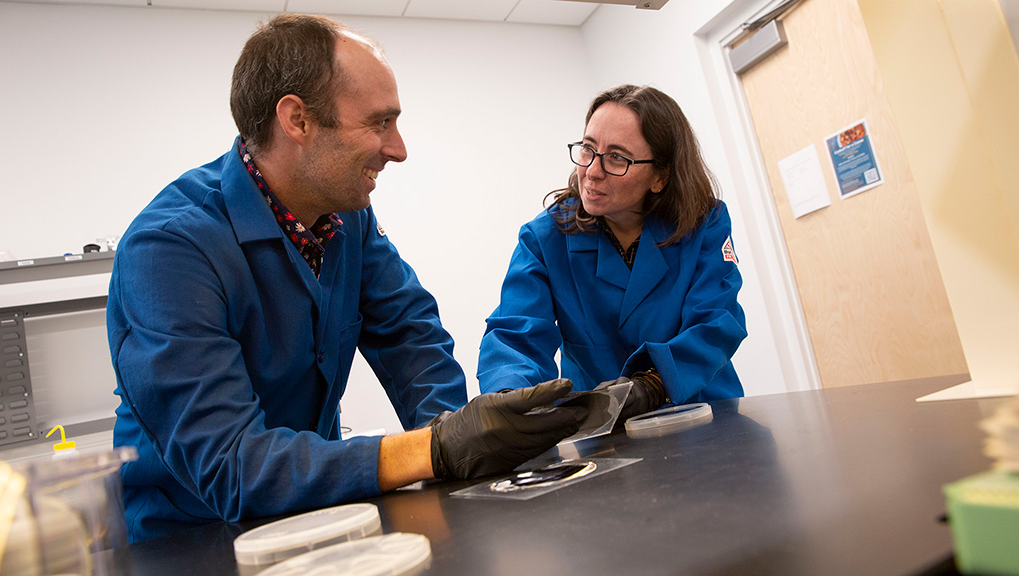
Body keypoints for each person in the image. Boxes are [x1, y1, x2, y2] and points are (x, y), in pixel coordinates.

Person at [108, 14, 586, 543]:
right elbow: (231, 465)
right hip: (195, 539)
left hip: (316, 510)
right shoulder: (171, 248)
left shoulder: (346, 218)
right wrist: (435, 448)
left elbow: (409, 332)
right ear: (298, 121)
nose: (398, 148)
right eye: (379, 123)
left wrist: (461, 441)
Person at [477, 84, 747, 422]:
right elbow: (516, 334)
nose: (592, 170)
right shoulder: (545, 238)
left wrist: (654, 382)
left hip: (705, 414)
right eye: (588, 149)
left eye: (617, 157)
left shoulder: (702, 223)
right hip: (606, 430)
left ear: (660, 177)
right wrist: (509, 401)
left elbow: (717, 321)